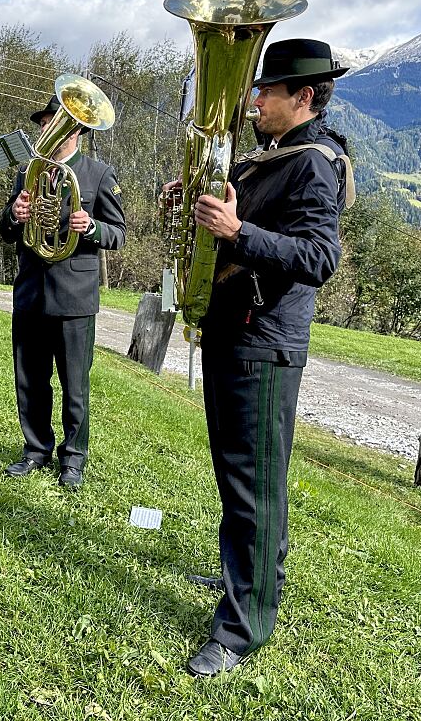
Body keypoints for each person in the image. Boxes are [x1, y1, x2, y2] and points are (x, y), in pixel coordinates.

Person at [173, 38, 351, 677]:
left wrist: (236, 231)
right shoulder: (267, 159)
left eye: (266, 91)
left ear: (302, 97)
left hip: (265, 340)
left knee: (256, 484)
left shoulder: (315, 164)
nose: (255, 100)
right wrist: (194, 206)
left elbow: (317, 259)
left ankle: (243, 625)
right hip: (231, 329)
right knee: (235, 474)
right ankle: (243, 574)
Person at [0, 95, 125, 489]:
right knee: (30, 380)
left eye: (55, 123)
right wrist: (14, 217)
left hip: (74, 296)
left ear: (77, 130)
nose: (46, 130)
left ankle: (73, 458)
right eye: (44, 123)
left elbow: (118, 235)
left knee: (75, 385)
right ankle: (36, 450)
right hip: (31, 292)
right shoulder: (27, 173)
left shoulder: (99, 174)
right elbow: (5, 230)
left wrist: (91, 227)